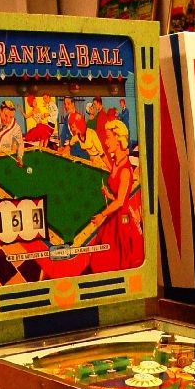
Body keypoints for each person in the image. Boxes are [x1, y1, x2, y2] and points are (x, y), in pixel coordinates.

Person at [89, 119, 143, 271]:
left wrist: (102, 215)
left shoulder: (125, 170)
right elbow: (119, 197)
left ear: (118, 139)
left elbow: (120, 202)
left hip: (122, 220)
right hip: (114, 217)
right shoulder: (116, 162)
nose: (105, 142)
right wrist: (108, 193)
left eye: (108, 137)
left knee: (119, 259)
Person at [59, 97, 108, 167]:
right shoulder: (67, 118)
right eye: (65, 104)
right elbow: (64, 134)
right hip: (74, 152)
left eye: (68, 104)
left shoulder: (80, 118)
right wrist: (61, 146)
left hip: (85, 153)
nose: (66, 106)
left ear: (73, 104)